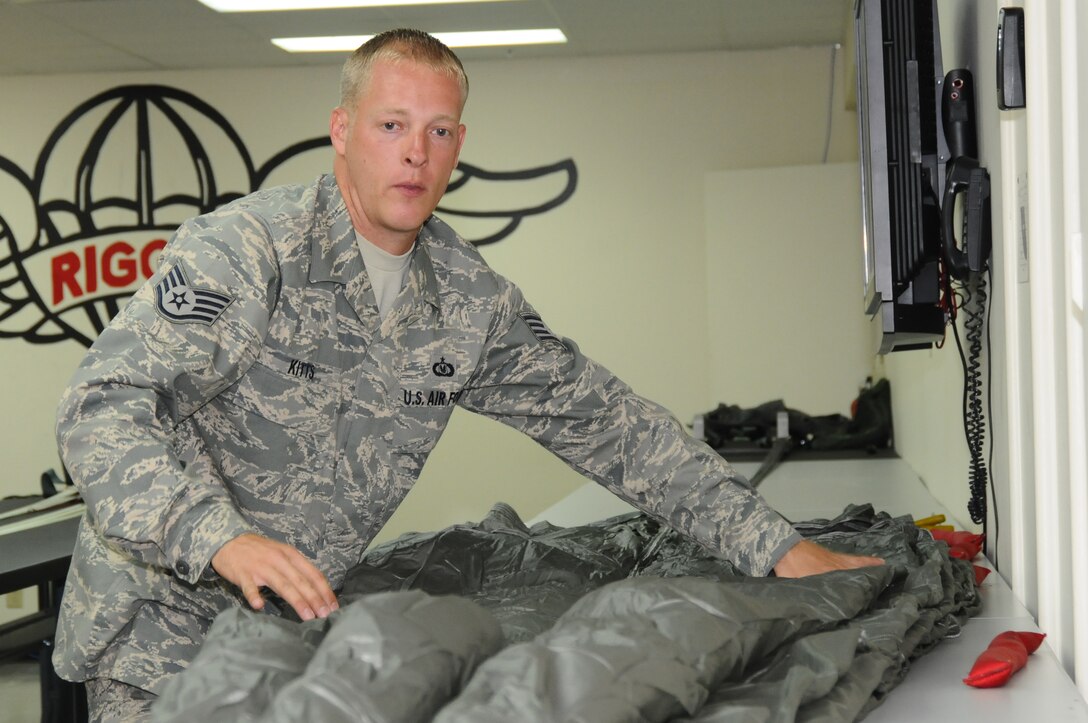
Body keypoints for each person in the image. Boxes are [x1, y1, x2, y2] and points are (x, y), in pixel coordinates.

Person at [53, 28, 881, 721]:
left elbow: (610, 424)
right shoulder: (248, 251)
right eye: (391, 126)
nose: (415, 153)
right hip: (156, 636)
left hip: (289, 642)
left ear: (459, 145)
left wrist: (775, 547)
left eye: (439, 131)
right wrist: (220, 537)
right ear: (341, 130)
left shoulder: (467, 300)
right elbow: (102, 409)